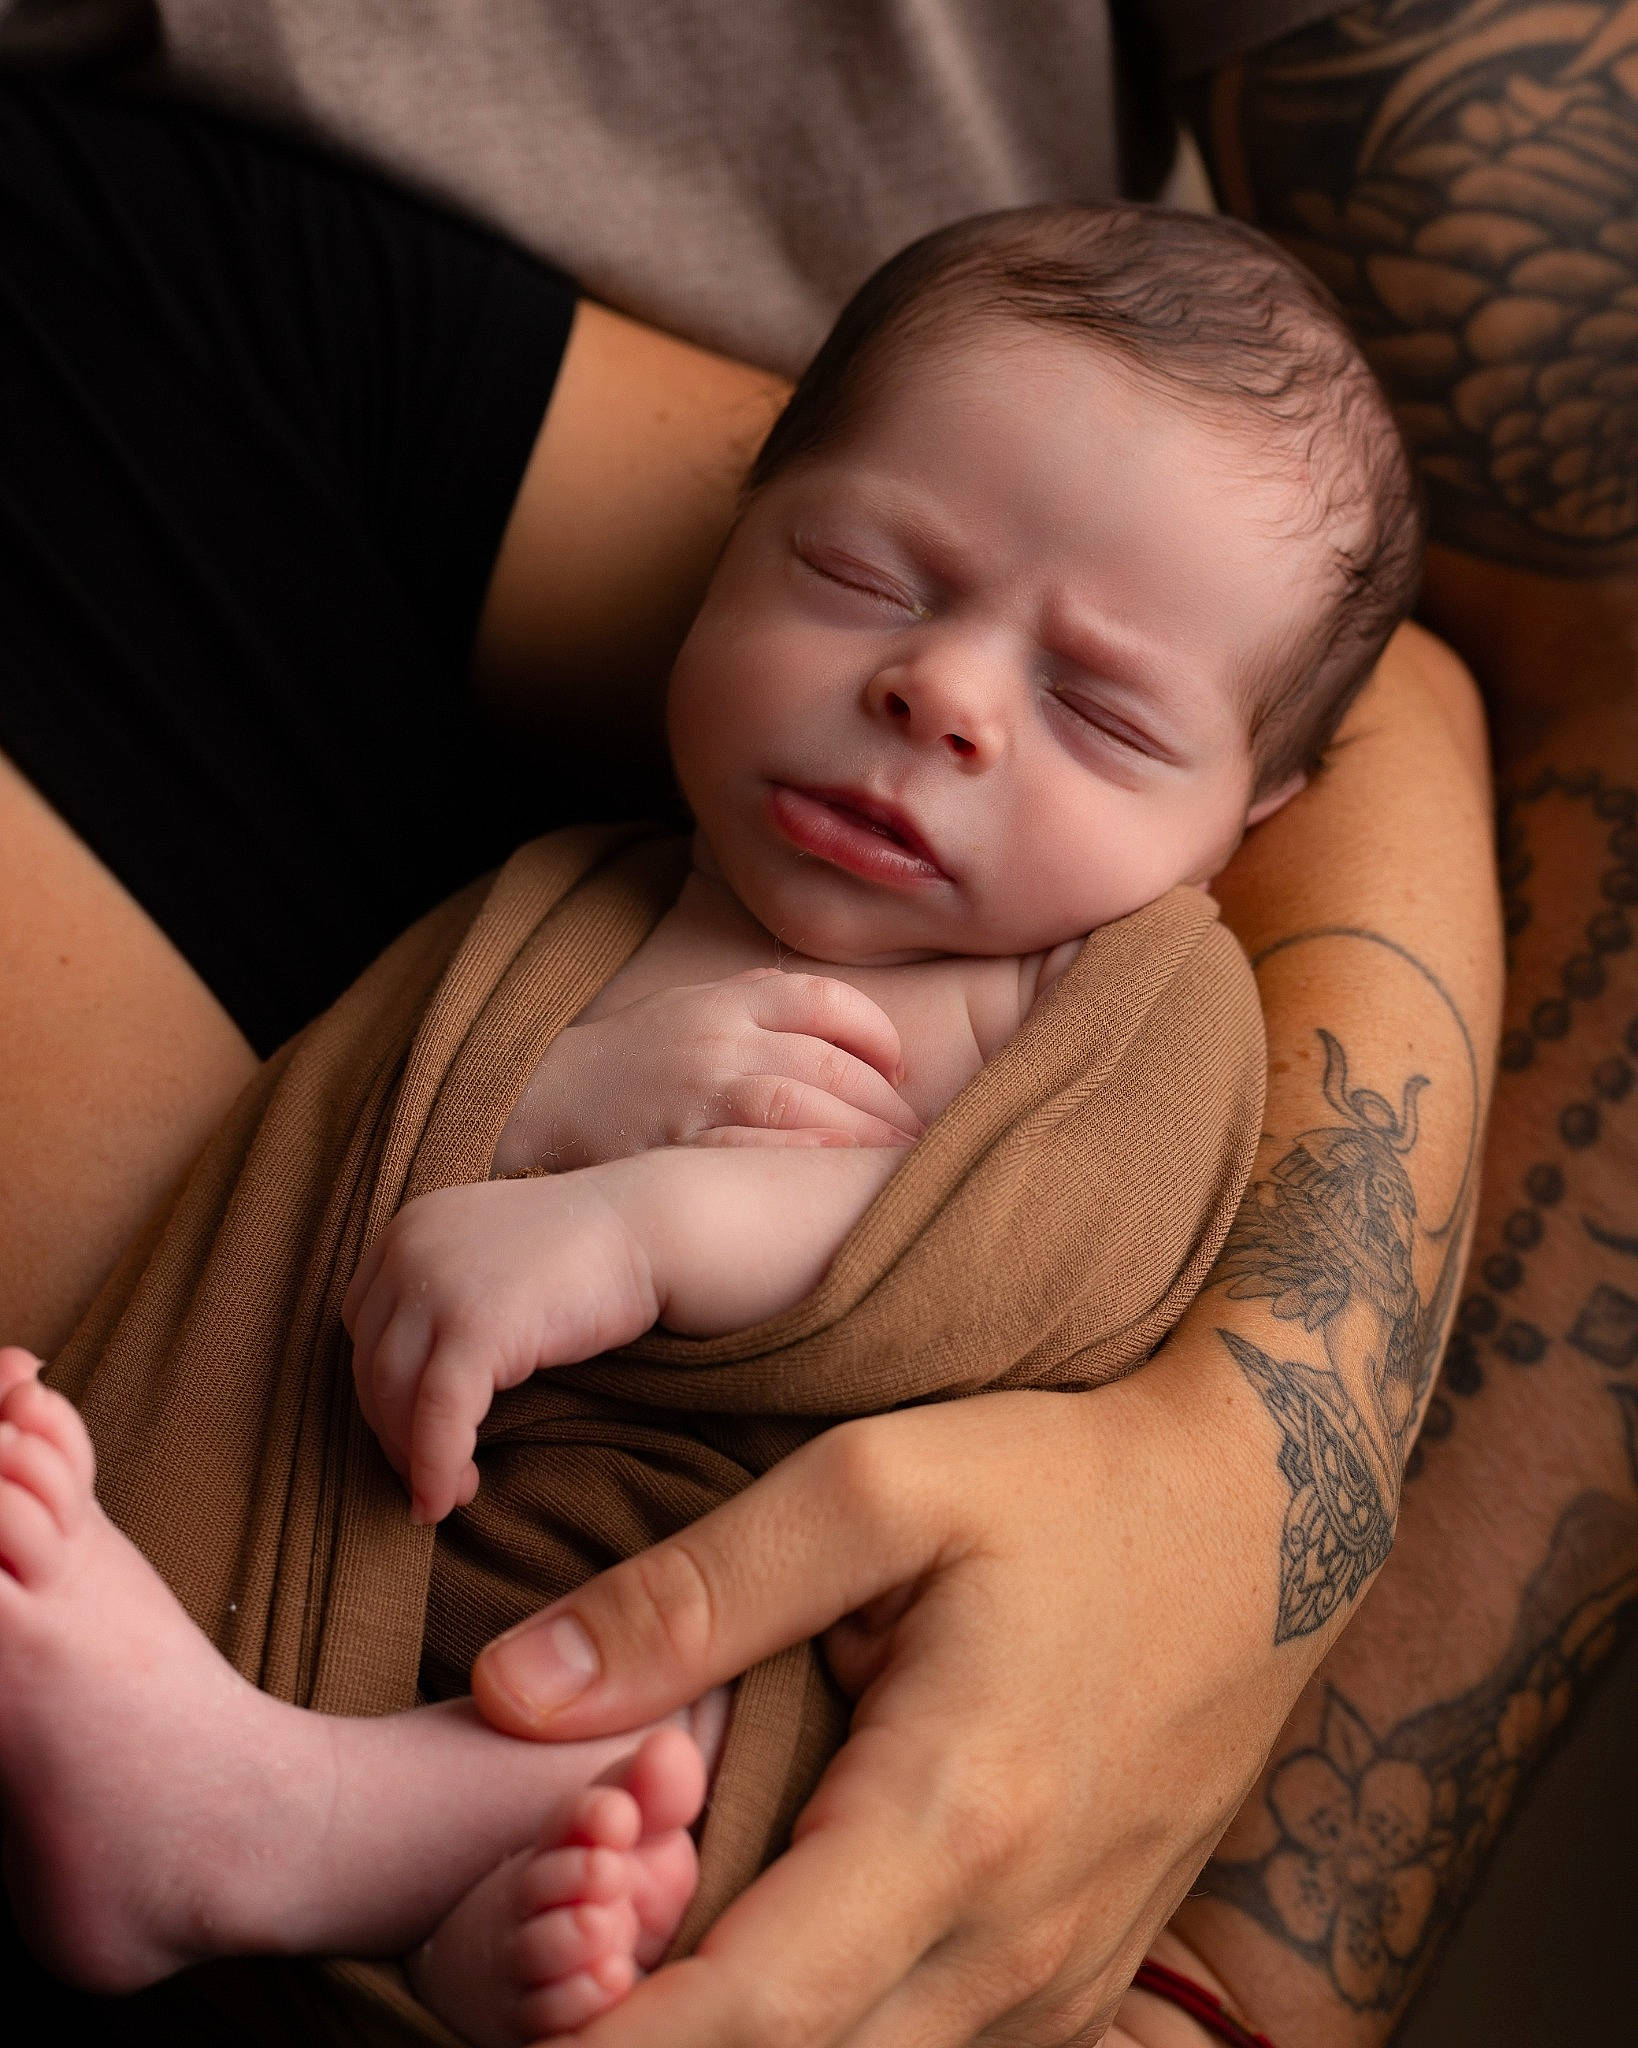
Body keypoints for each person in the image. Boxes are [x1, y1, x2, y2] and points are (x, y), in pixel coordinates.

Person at [0, 14, 1531, 2044]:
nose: (945, 694)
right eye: (859, 570)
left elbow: (999, 1256)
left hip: (795, 1647)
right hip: (466, 1568)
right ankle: (428, 1894)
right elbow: (372, 1113)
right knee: (581, 1786)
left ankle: (305, 1825)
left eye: (1101, 711)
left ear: (1245, 823)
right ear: (730, 536)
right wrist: (539, 1096)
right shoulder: (587, 885)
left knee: (744, 1706)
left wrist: (642, 1228)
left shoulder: (1121, 997)